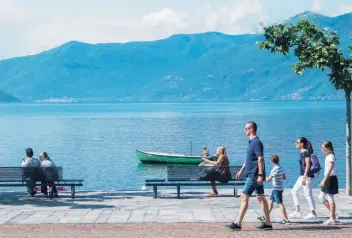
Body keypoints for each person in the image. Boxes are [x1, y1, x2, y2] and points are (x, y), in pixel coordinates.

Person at [226, 121, 272, 230]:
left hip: (254, 175)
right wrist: (241, 170)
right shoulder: (251, 142)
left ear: (251, 129)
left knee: (244, 197)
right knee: (261, 198)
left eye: (246, 128)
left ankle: (238, 223)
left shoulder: (256, 142)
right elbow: (250, 159)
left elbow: (260, 159)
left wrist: (260, 175)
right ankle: (268, 223)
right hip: (253, 174)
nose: (244, 130)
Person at [289, 137, 317, 219]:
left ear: (301, 144)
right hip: (302, 176)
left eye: (297, 142)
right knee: (294, 191)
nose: (296, 144)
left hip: (306, 177)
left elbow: (308, 165)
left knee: (308, 195)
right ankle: (298, 211)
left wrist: (304, 177)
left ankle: (313, 213)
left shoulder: (305, 153)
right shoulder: (302, 152)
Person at [257, 154, 290, 224]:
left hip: (276, 189)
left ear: (271, 161)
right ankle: (265, 216)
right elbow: (284, 177)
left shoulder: (274, 169)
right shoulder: (281, 168)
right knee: (270, 203)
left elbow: (268, 179)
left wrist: (262, 176)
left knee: (280, 203)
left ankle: (286, 219)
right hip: (280, 188)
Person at [318, 141, 339, 224]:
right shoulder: (328, 156)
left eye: (323, 148)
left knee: (330, 198)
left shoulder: (331, 156)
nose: (322, 150)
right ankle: (334, 214)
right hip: (328, 178)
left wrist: (324, 180)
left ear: (328, 148)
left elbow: (330, 169)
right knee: (321, 197)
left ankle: (332, 218)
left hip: (330, 178)